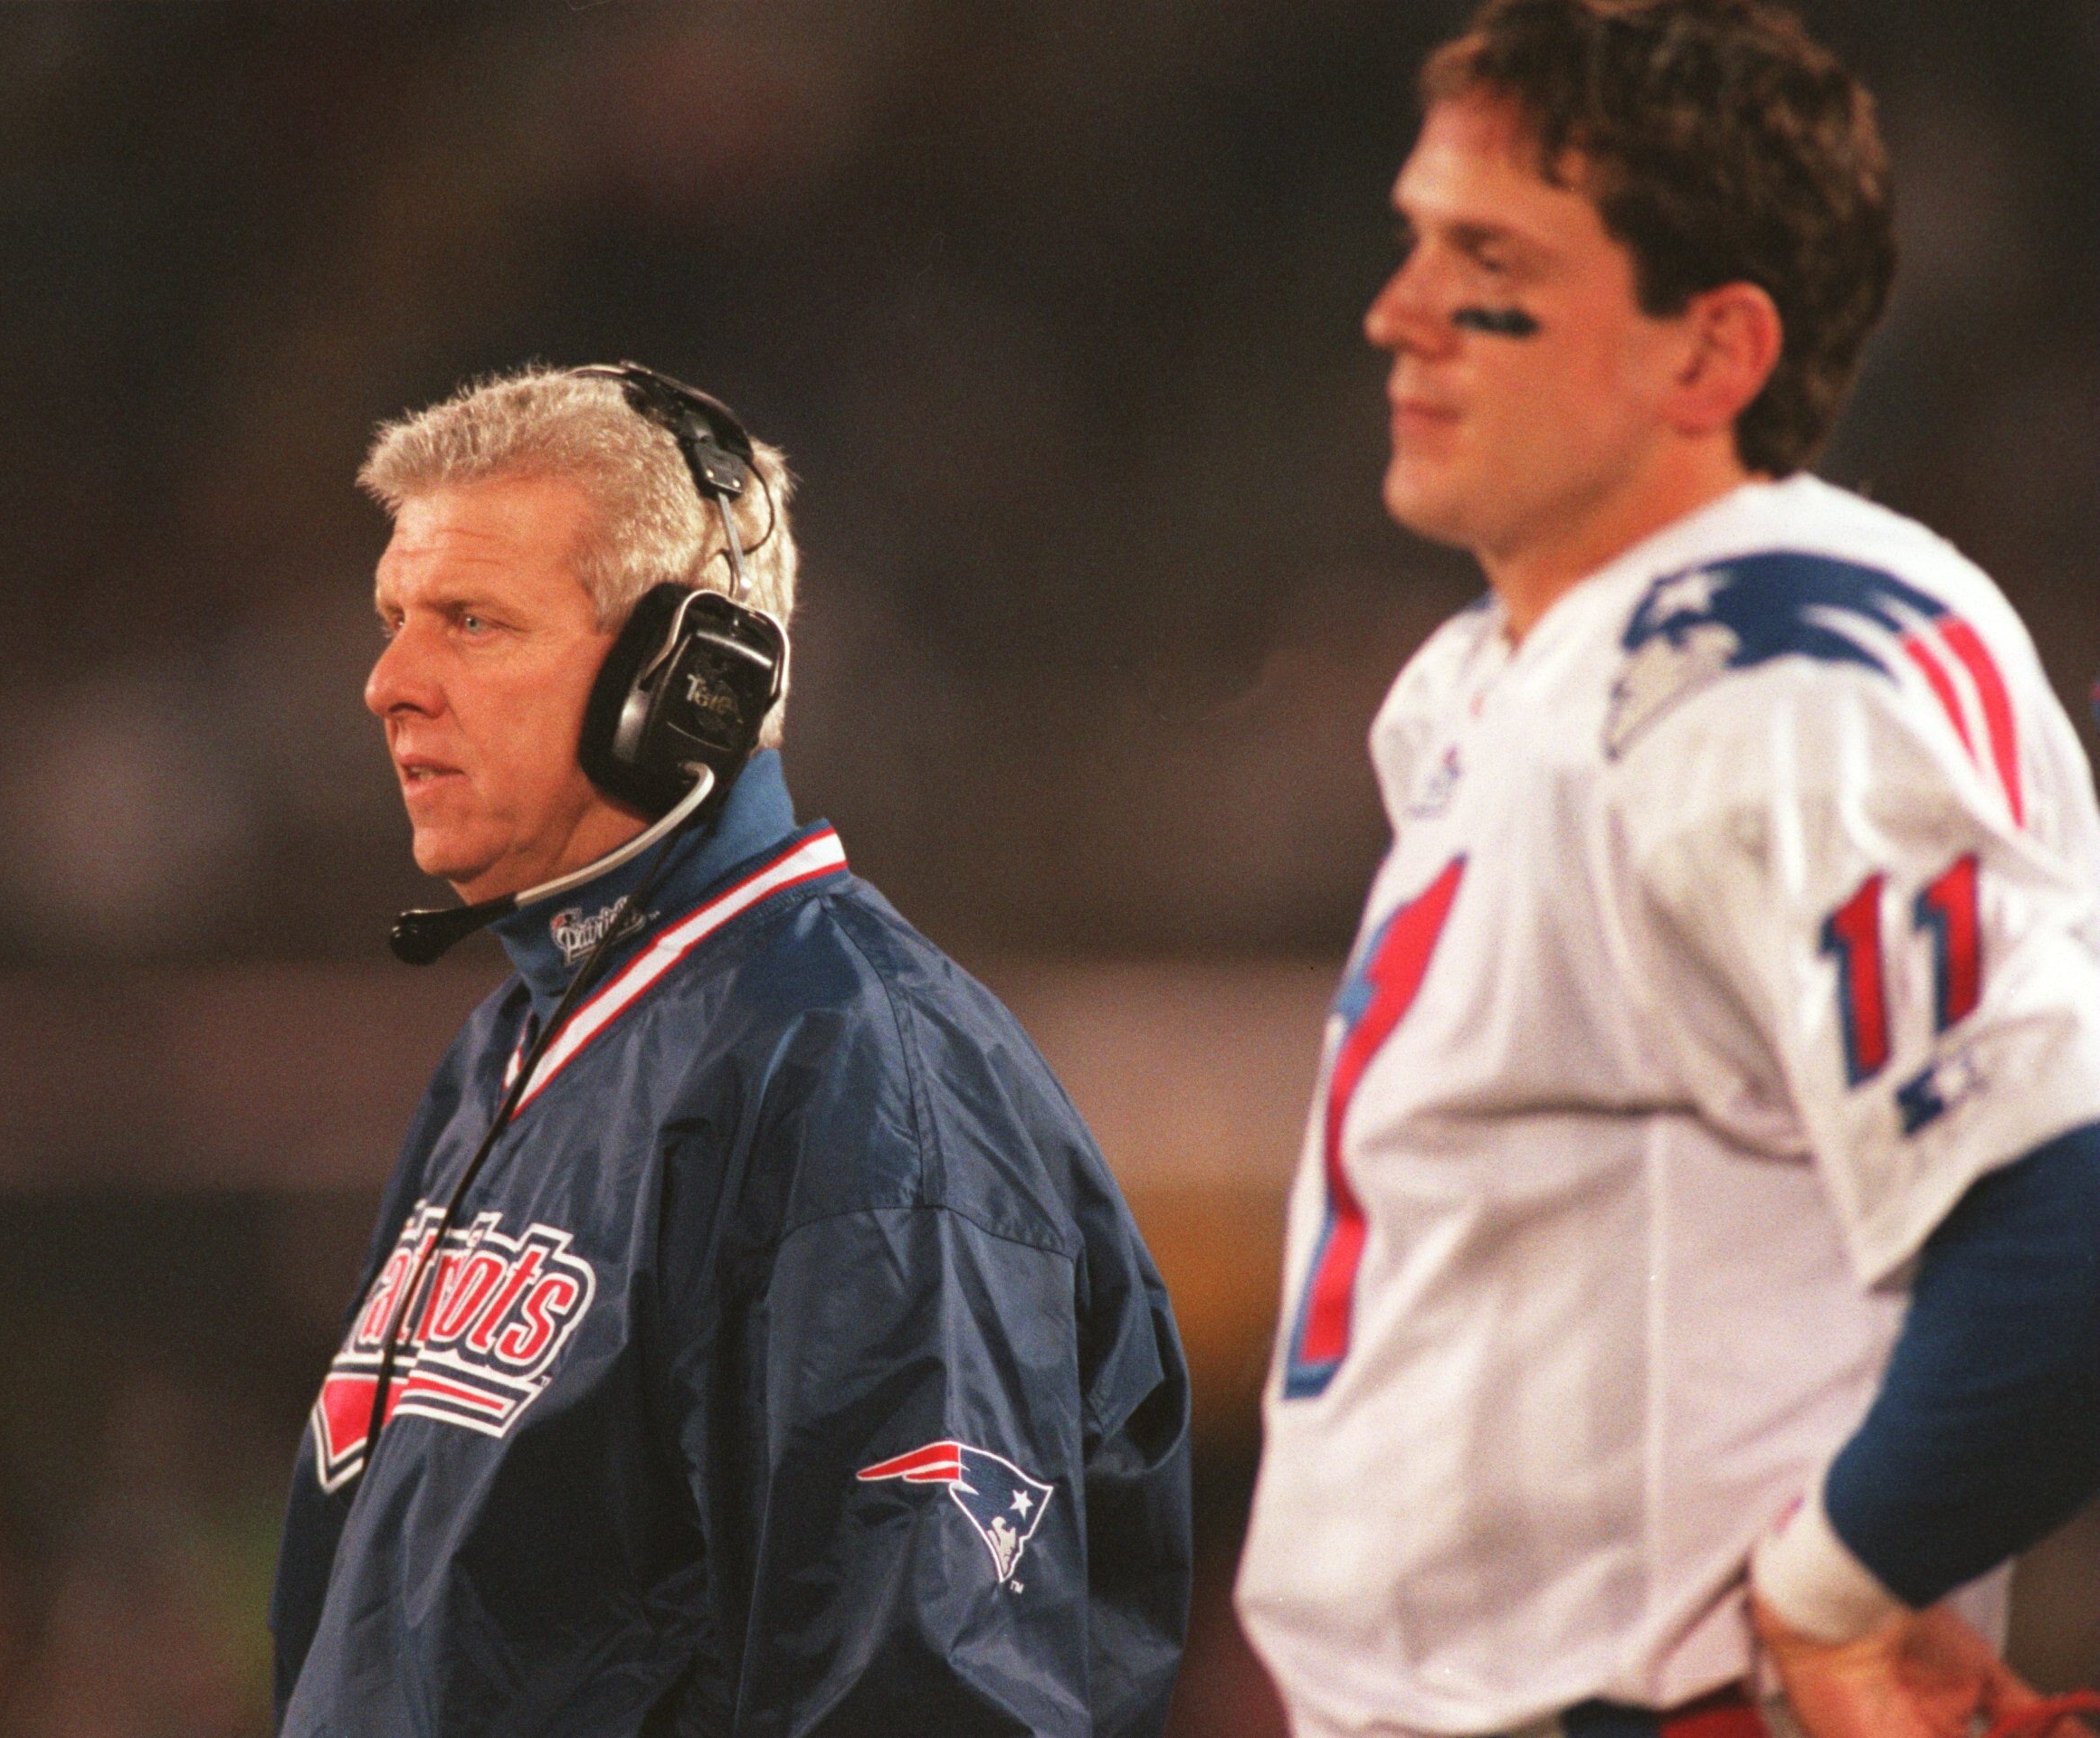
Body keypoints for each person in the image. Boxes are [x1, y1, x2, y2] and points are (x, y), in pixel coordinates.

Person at [1234, 4, 2100, 1736]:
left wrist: (1833, 1588)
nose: (1396, 312)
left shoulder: (1772, 665)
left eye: (1488, 259)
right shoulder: (1514, 673)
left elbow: (2066, 1207)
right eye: (1416, 239)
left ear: (1710, 353)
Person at [267, 363, 1192, 1737]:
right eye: (398, 619)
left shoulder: (860, 1078)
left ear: (689, 679)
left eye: (472, 621)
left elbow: (925, 1703)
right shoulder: (510, 1053)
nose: (390, 683)